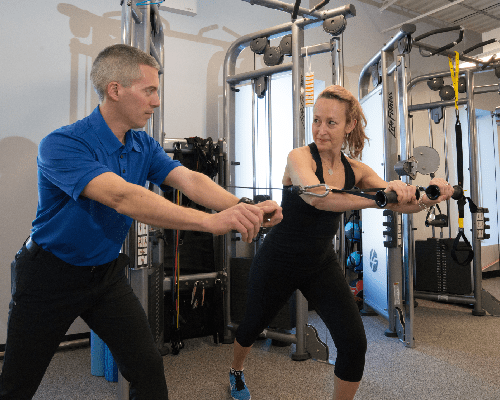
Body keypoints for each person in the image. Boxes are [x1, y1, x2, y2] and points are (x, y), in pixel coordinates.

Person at [0, 44, 282, 400]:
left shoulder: (142, 145)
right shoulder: (62, 144)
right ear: (115, 90)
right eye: (149, 90)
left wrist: (243, 206)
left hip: (104, 276)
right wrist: (213, 224)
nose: (157, 101)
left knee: (148, 369)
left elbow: (189, 180)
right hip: (49, 276)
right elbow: (124, 198)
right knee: (16, 386)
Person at [228, 84, 454, 400]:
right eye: (316, 120)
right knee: (251, 326)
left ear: (348, 126)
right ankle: (237, 371)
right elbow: (317, 197)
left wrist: (428, 195)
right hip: (278, 259)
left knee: (354, 343)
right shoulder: (298, 157)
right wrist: (379, 199)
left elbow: (403, 203)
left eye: (331, 123)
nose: (321, 130)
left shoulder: (357, 170)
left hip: (319, 264)